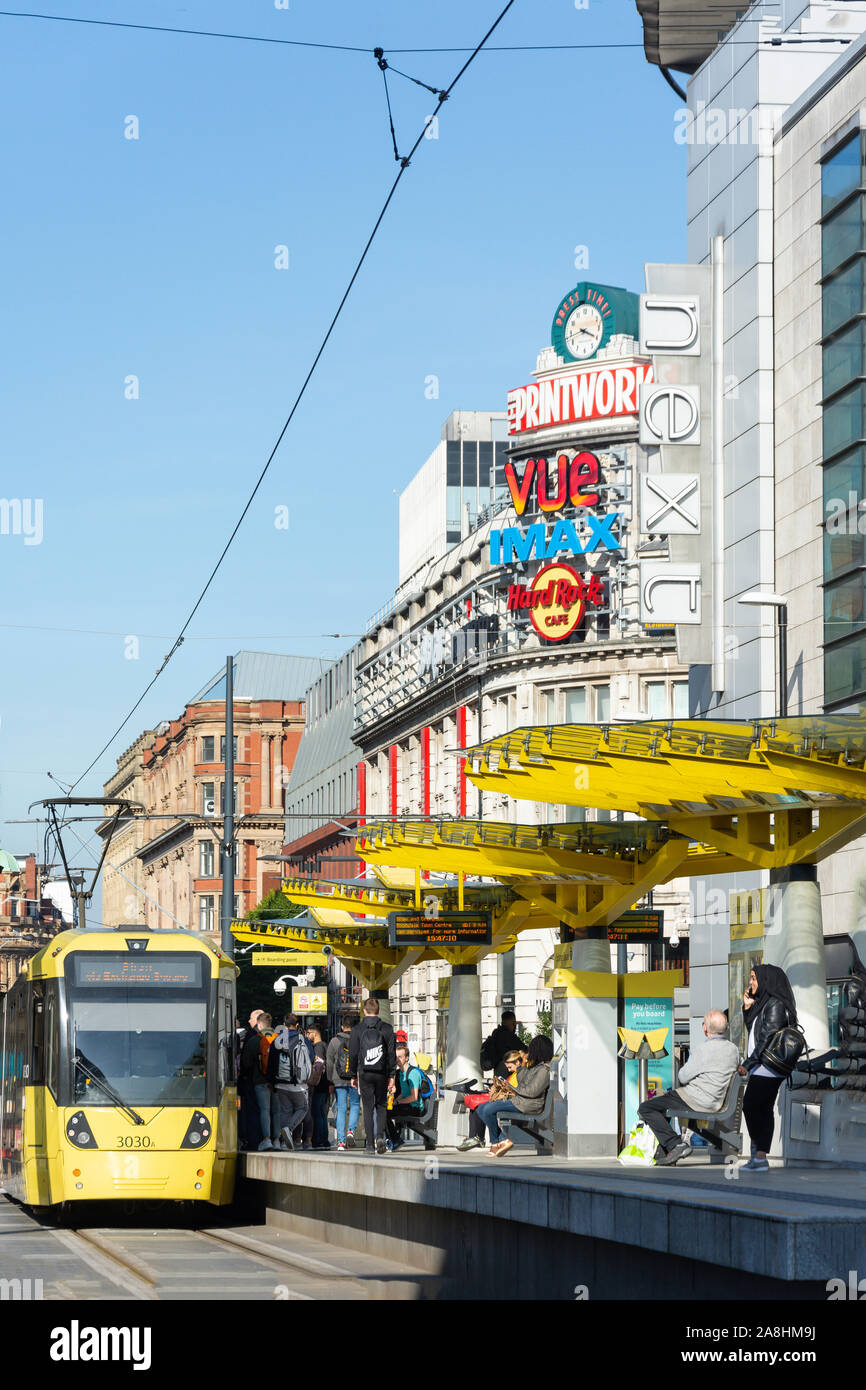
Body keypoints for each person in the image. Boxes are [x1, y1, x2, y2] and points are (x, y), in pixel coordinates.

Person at [638, 1010, 739, 1166]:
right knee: (663, 1105)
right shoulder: (734, 1050)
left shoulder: (703, 1050)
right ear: (726, 1028)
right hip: (715, 1101)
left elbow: (683, 1076)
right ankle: (665, 1152)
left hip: (695, 1098)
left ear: (705, 1029)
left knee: (647, 1107)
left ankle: (675, 1144)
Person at [738, 964, 798, 1172]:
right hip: (761, 1065)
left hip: (769, 1066)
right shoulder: (763, 1004)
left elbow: (767, 1038)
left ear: (766, 980)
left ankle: (759, 1156)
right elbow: (753, 1033)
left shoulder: (775, 1004)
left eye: (754, 978)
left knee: (751, 1105)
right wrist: (747, 1008)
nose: (751, 982)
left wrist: (748, 1064)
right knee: (761, 1109)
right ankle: (759, 1156)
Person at [477, 1035, 554, 1156]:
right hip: (521, 1101)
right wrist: (520, 1067)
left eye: (531, 1049)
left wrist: (510, 1086)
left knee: (488, 1109)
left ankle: (496, 1142)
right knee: (481, 1108)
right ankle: (502, 1140)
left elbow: (532, 1091)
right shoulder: (534, 1067)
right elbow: (523, 1083)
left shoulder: (544, 1070)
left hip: (529, 1105)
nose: (529, 1052)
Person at [348, 997, 397, 1156]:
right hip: (381, 1073)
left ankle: (369, 1145)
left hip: (365, 1073)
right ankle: (380, 1137)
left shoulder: (357, 1029)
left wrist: (353, 1075)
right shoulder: (387, 1029)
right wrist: (392, 1075)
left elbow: (354, 1054)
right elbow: (391, 1055)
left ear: (364, 1011)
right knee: (381, 1106)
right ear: (379, 1011)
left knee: (367, 1107)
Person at [457, 1048, 524, 1152]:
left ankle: (481, 1138)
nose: (509, 1070)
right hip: (507, 1097)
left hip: (512, 1099)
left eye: (510, 1067)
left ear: (517, 1062)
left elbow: (517, 1090)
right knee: (477, 1104)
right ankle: (488, 1138)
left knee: (481, 1106)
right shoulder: (516, 1073)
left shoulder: (522, 1073)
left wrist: (504, 1087)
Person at [268, 1012, 310, 1151]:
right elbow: (310, 1056)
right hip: (299, 1084)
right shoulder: (302, 1039)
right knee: (303, 1108)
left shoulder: (278, 1040)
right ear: (297, 1025)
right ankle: (289, 1129)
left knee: (285, 1111)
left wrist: (271, 1082)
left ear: (284, 1025)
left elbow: (271, 1062)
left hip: (280, 1083)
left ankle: (285, 1141)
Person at [327, 1012, 360, 1151]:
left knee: (341, 1108)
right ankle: (350, 1131)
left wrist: (330, 1079)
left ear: (342, 1027)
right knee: (355, 1105)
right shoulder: (357, 1040)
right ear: (354, 1027)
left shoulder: (334, 1041)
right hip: (354, 1078)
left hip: (338, 1078)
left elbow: (329, 1062)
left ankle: (340, 1142)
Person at [387, 1043, 426, 1149]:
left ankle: (395, 1140)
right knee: (383, 1110)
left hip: (415, 1107)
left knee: (385, 1113)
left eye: (400, 1057)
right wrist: (395, 1101)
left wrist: (398, 1102)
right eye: (396, 1057)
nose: (397, 1059)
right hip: (407, 1105)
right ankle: (392, 1139)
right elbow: (404, 1094)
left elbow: (413, 1097)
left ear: (407, 1058)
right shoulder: (401, 1074)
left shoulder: (412, 1073)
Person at [252, 1013, 281, 1151]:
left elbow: (246, 1062)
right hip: (277, 1081)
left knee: (265, 1110)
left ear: (259, 1024)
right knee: (276, 1111)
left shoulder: (256, 1040)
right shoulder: (279, 1039)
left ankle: (266, 1139)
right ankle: (277, 1140)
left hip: (260, 1080)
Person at [237, 1008, 264, 1152]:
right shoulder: (271, 1036)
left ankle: (253, 1140)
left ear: (257, 1020)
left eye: (250, 1018)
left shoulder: (251, 1037)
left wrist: (243, 1076)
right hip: (267, 1081)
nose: (248, 1021)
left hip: (251, 1081)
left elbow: (246, 1062)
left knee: (251, 1112)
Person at [304, 1022, 331, 1149]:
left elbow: (318, 1067)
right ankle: (324, 1138)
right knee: (322, 1113)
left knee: (317, 1112)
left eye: (308, 1033)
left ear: (314, 1033)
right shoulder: (326, 1045)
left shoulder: (318, 1047)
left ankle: (319, 1138)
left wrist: (313, 1080)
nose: (307, 1035)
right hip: (326, 1084)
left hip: (319, 1084)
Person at [480, 1011, 521, 1078]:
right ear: (512, 1022)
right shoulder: (509, 1037)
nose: (514, 1025)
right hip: (509, 1074)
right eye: (513, 1023)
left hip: (497, 1074)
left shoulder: (496, 1035)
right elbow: (524, 1049)